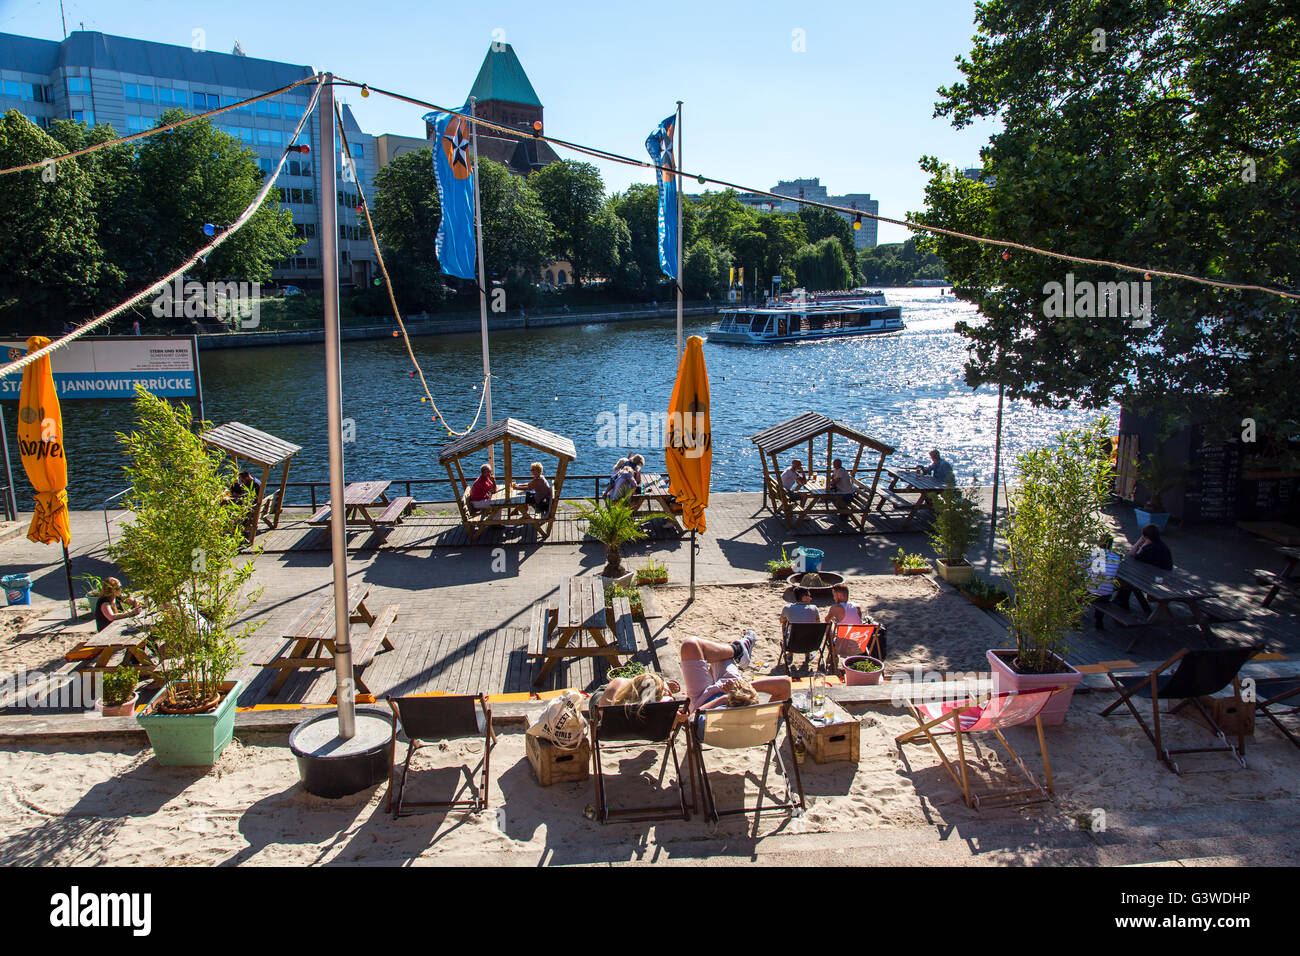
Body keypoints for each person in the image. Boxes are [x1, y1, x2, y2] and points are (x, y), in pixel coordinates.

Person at [679, 632, 791, 720]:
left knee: (692, 646)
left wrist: (725, 698)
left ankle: (737, 649)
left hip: (703, 699)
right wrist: (739, 689)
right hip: (739, 694)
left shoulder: (704, 724)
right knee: (718, 654)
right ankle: (738, 650)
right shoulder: (757, 728)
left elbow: (691, 719)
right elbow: (785, 683)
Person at [1113, 524, 1173, 610]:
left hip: (1153, 578)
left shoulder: (1149, 548)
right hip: (1163, 576)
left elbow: (1133, 555)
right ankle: (1122, 601)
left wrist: (1139, 542)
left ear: (1146, 537)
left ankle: (1121, 602)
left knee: (1129, 579)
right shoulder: (1163, 546)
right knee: (1130, 580)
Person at [1086, 532, 1123, 628]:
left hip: (1090, 592)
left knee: (1084, 584)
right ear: (1111, 545)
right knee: (1102, 586)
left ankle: (1073, 615)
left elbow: (1080, 567)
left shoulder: (1093, 554)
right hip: (1106, 594)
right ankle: (1099, 619)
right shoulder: (1116, 557)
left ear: (1099, 543)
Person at [598, 671, 682, 710]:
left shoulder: (618, 681)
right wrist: (669, 697)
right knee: (650, 684)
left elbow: (601, 712)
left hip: (602, 700)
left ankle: (638, 684)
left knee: (621, 682)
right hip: (644, 728)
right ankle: (662, 685)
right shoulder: (661, 708)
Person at [228, 470, 262, 543]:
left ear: (247, 477)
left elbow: (251, 498)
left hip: (253, 511)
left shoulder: (254, 485)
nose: (242, 482)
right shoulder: (255, 482)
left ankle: (237, 534)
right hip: (257, 508)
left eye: (242, 480)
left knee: (234, 514)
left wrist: (238, 496)